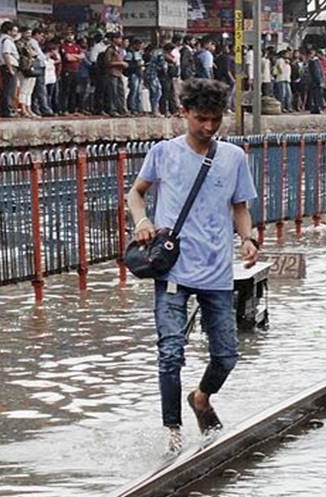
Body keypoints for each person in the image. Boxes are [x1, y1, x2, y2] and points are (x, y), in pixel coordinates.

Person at [126, 78, 258, 451]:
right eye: (201, 118)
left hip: (217, 269)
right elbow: (136, 193)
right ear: (184, 113)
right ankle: (172, 431)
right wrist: (142, 221)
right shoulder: (163, 153)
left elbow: (240, 207)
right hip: (174, 268)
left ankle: (201, 398)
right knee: (170, 352)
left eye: (216, 119)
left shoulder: (234, 157)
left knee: (226, 355)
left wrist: (247, 239)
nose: (209, 126)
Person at [0, 21, 19, 117]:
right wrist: (10, 68)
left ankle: (6, 109)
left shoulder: (2, 40)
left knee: (7, 89)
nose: (16, 33)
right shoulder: (7, 41)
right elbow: (6, 54)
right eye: (14, 31)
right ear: (9, 31)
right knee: (9, 90)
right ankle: (8, 110)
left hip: (5, 66)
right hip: (9, 65)